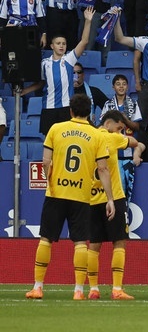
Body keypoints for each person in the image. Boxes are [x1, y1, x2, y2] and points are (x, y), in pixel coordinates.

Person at [26, 94, 115, 300]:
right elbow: (102, 169)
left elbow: (45, 161)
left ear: (71, 111)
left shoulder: (56, 129)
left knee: (46, 239)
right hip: (82, 196)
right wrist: (109, 199)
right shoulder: (97, 135)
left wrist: (52, 181)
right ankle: (78, 291)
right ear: (89, 112)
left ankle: (38, 287)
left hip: (56, 193)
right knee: (80, 243)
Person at [87, 109, 144, 300]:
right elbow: (136, 142)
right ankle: (117, 289)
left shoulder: (89, 137)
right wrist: (136, 148)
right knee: (119, 242)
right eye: (119, 128)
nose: (120, 132)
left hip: (92, 198)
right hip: (114, 197)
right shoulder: (112, 138)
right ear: (109, 124)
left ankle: (93, 289)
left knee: (93, 245)